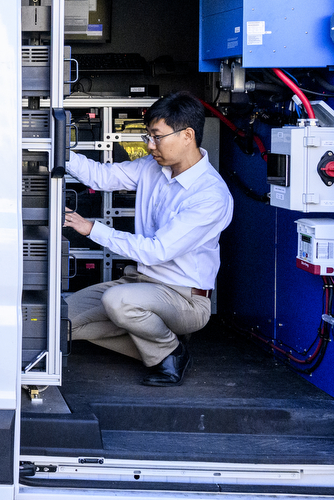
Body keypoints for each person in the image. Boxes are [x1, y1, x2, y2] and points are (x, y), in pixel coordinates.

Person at [62, 92, 233, 386]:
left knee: (118, 301)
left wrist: (93, 229)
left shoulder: (210, 196)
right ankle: (160, 347)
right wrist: (57, 148)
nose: (149, 145)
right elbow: (101, 177)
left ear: (187, 135)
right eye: (148, 136)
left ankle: (167, 348)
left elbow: (156, 252)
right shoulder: (152, 167)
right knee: (60, 324)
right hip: (138, 284)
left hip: (184, 299)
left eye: (156, 137)